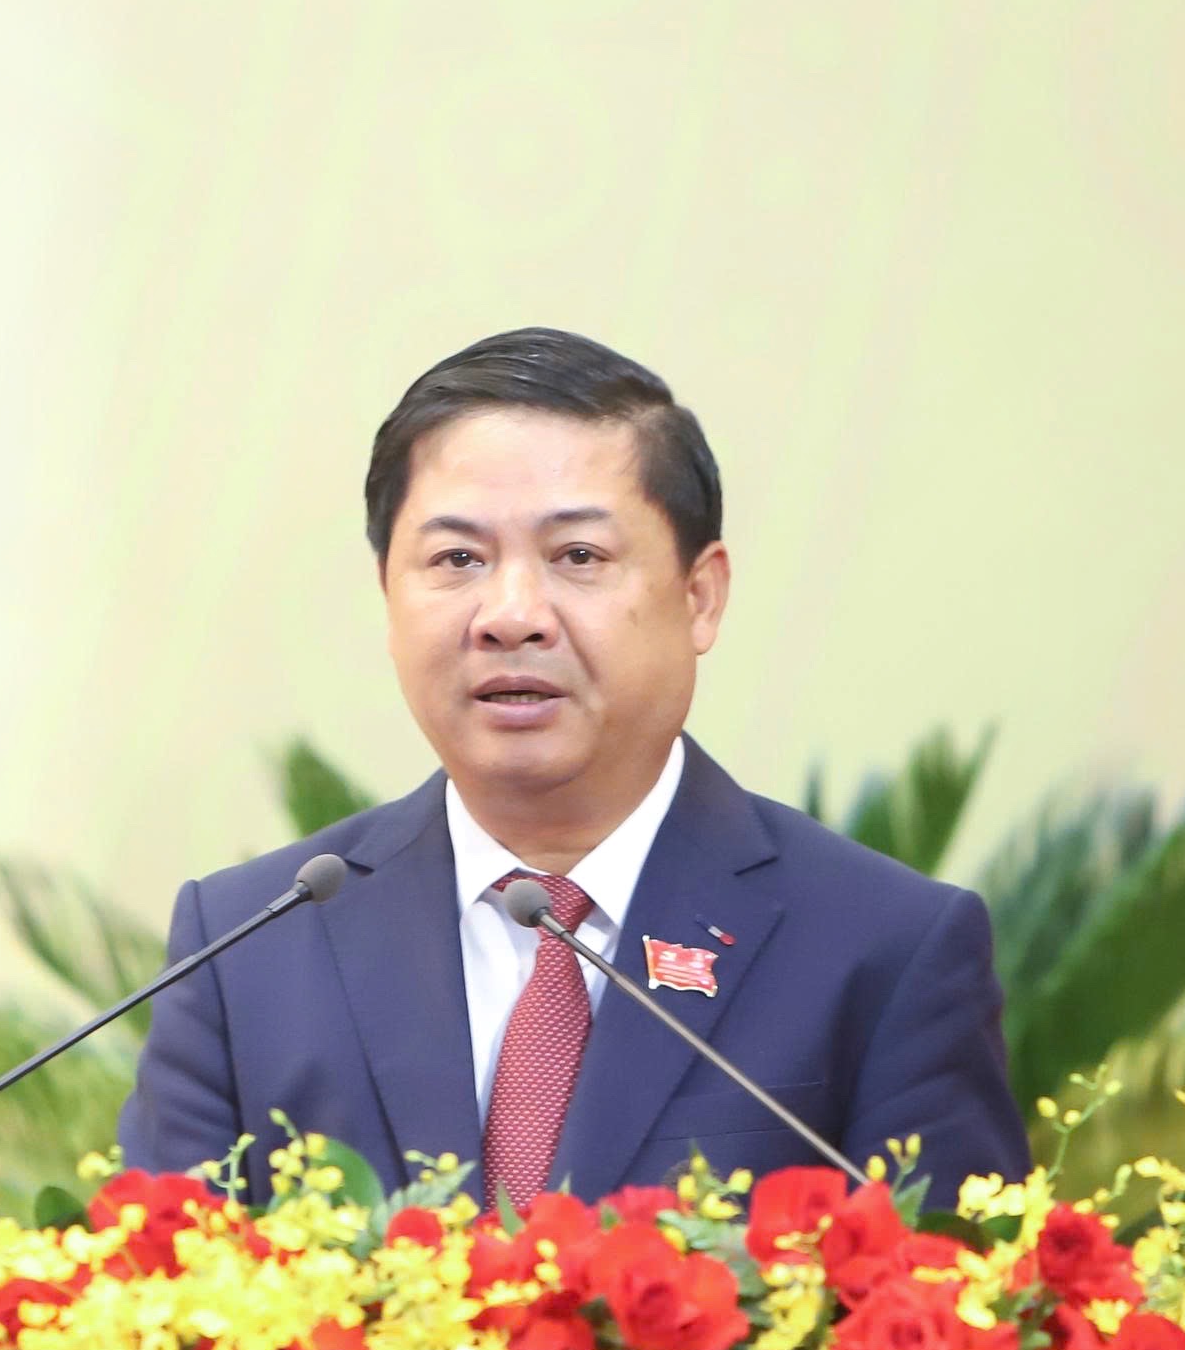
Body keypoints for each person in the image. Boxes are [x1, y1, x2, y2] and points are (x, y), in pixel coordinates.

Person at [118, 327, 1028, 1209]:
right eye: (457, 558)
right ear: (388, 598)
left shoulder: (883, 949)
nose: (511, 615)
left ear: (700, 596)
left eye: (578, 556)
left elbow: (956, 1300)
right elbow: (159, 1292)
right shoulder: (248, 946)